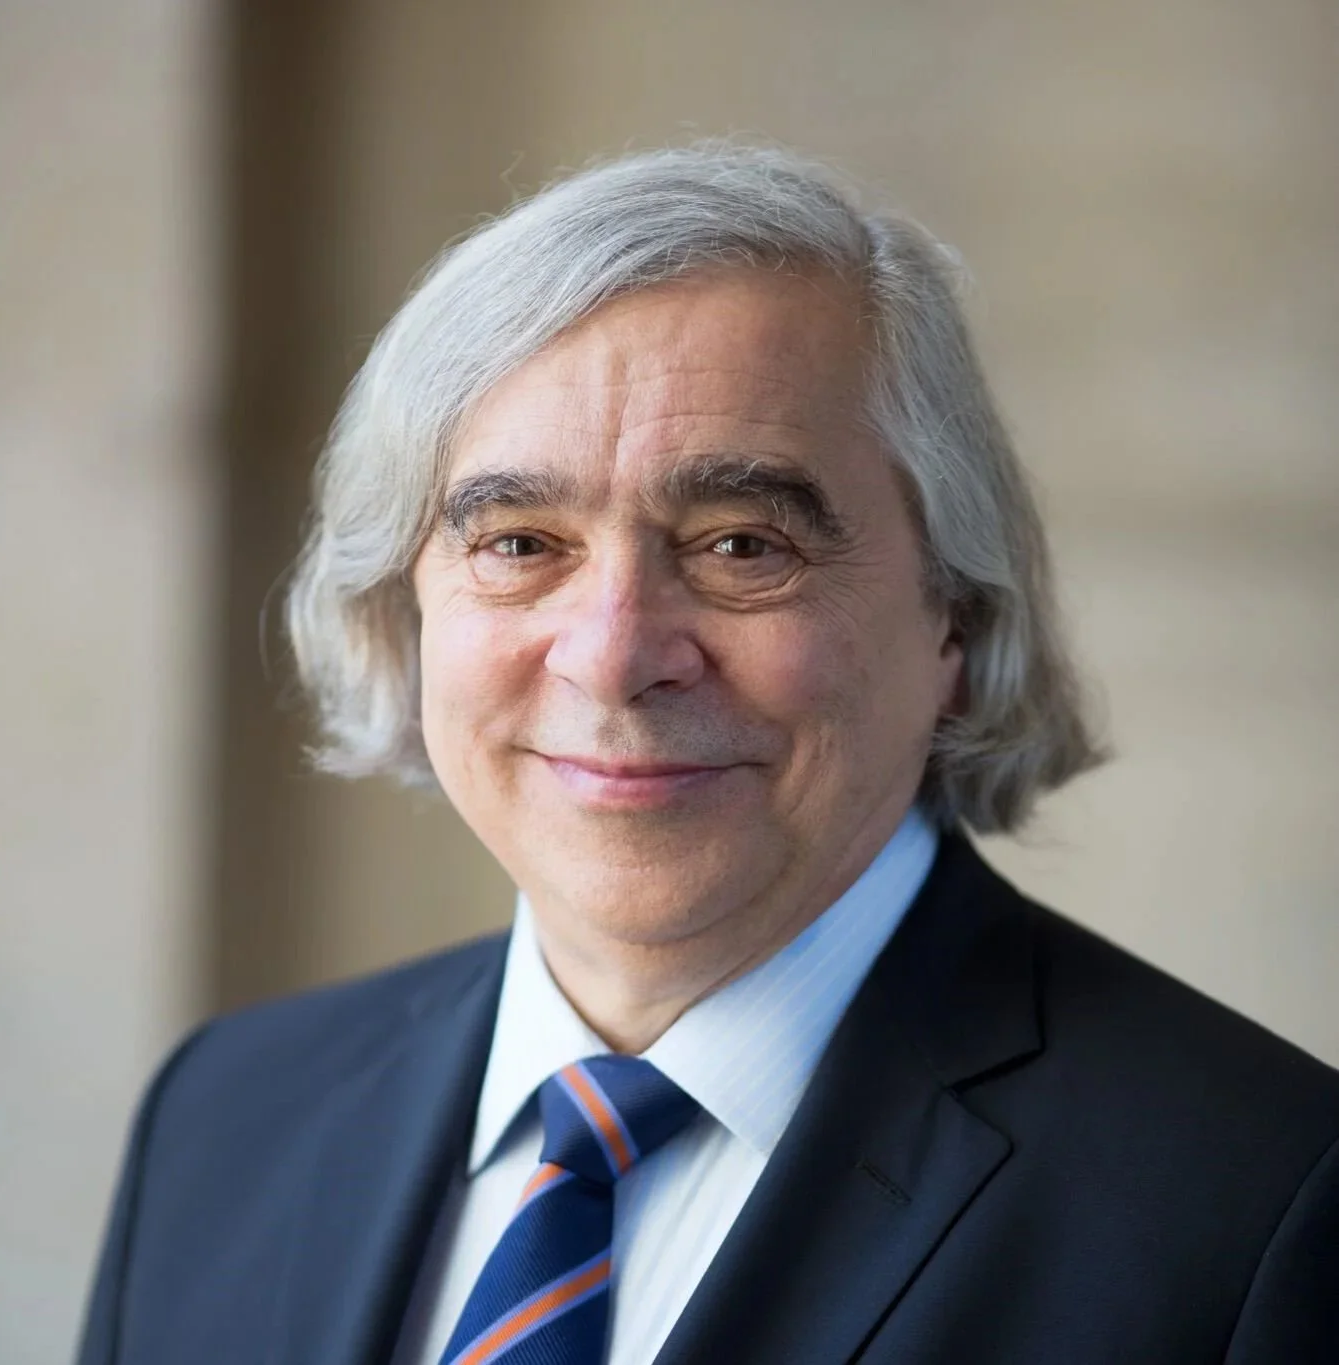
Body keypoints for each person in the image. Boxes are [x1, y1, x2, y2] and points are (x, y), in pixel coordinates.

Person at [78, 144, 1339, 1365]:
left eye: (742, 544)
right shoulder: (227, 1116)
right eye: (520, 544)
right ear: (404, 608)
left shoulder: (1260, 1209)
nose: (614, 655)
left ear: (954, 617)